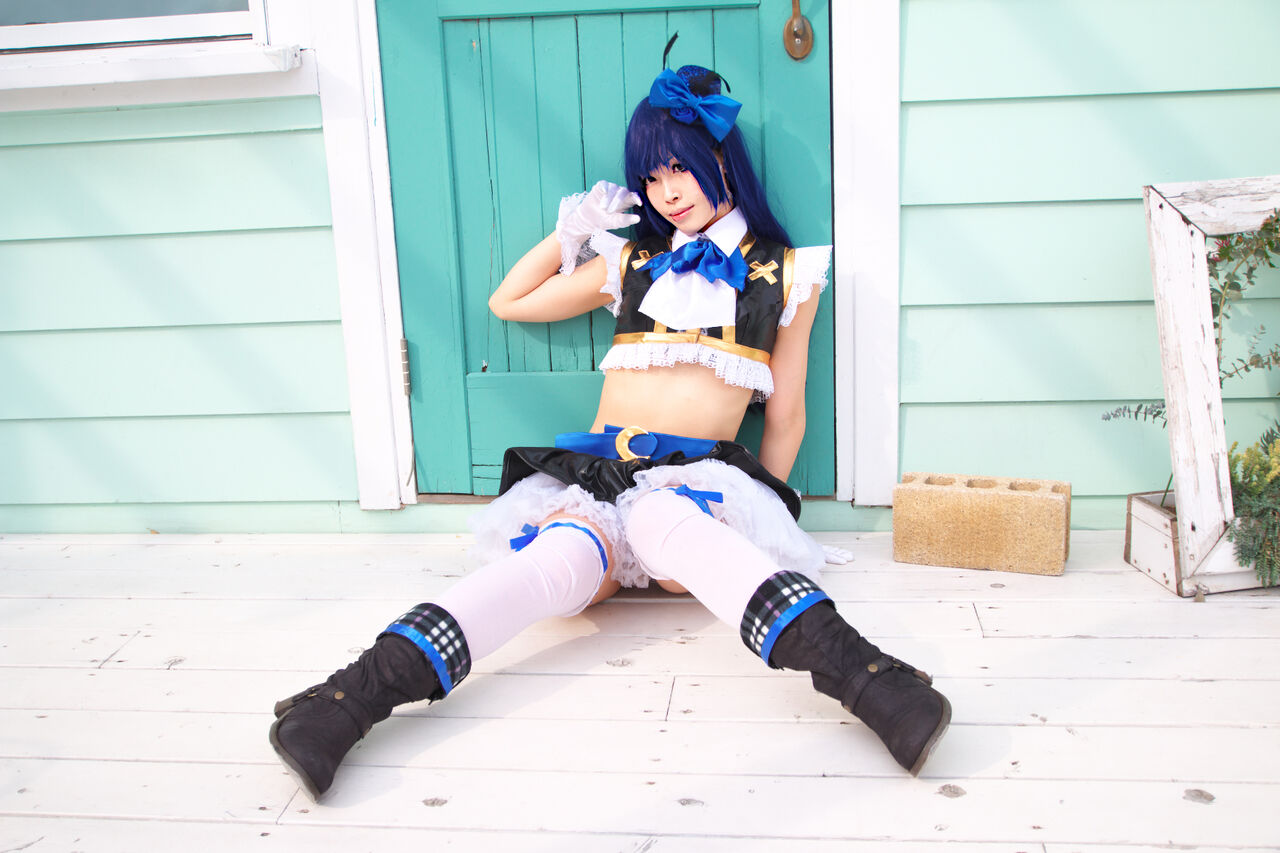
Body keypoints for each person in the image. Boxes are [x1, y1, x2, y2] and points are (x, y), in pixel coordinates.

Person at [269, 61, 951, 802]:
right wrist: (569, 234)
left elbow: (786, 414)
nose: (667, 191)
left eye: (679, 168)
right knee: (554, 560)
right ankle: (344, 701)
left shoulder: (785, 274)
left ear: (722, 159)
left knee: (660, 516)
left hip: (696, 486)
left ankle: (874, 682)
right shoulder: (630, 261)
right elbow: (509, 302)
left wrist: (769, 514)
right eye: (651, 177)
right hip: (595, 474)